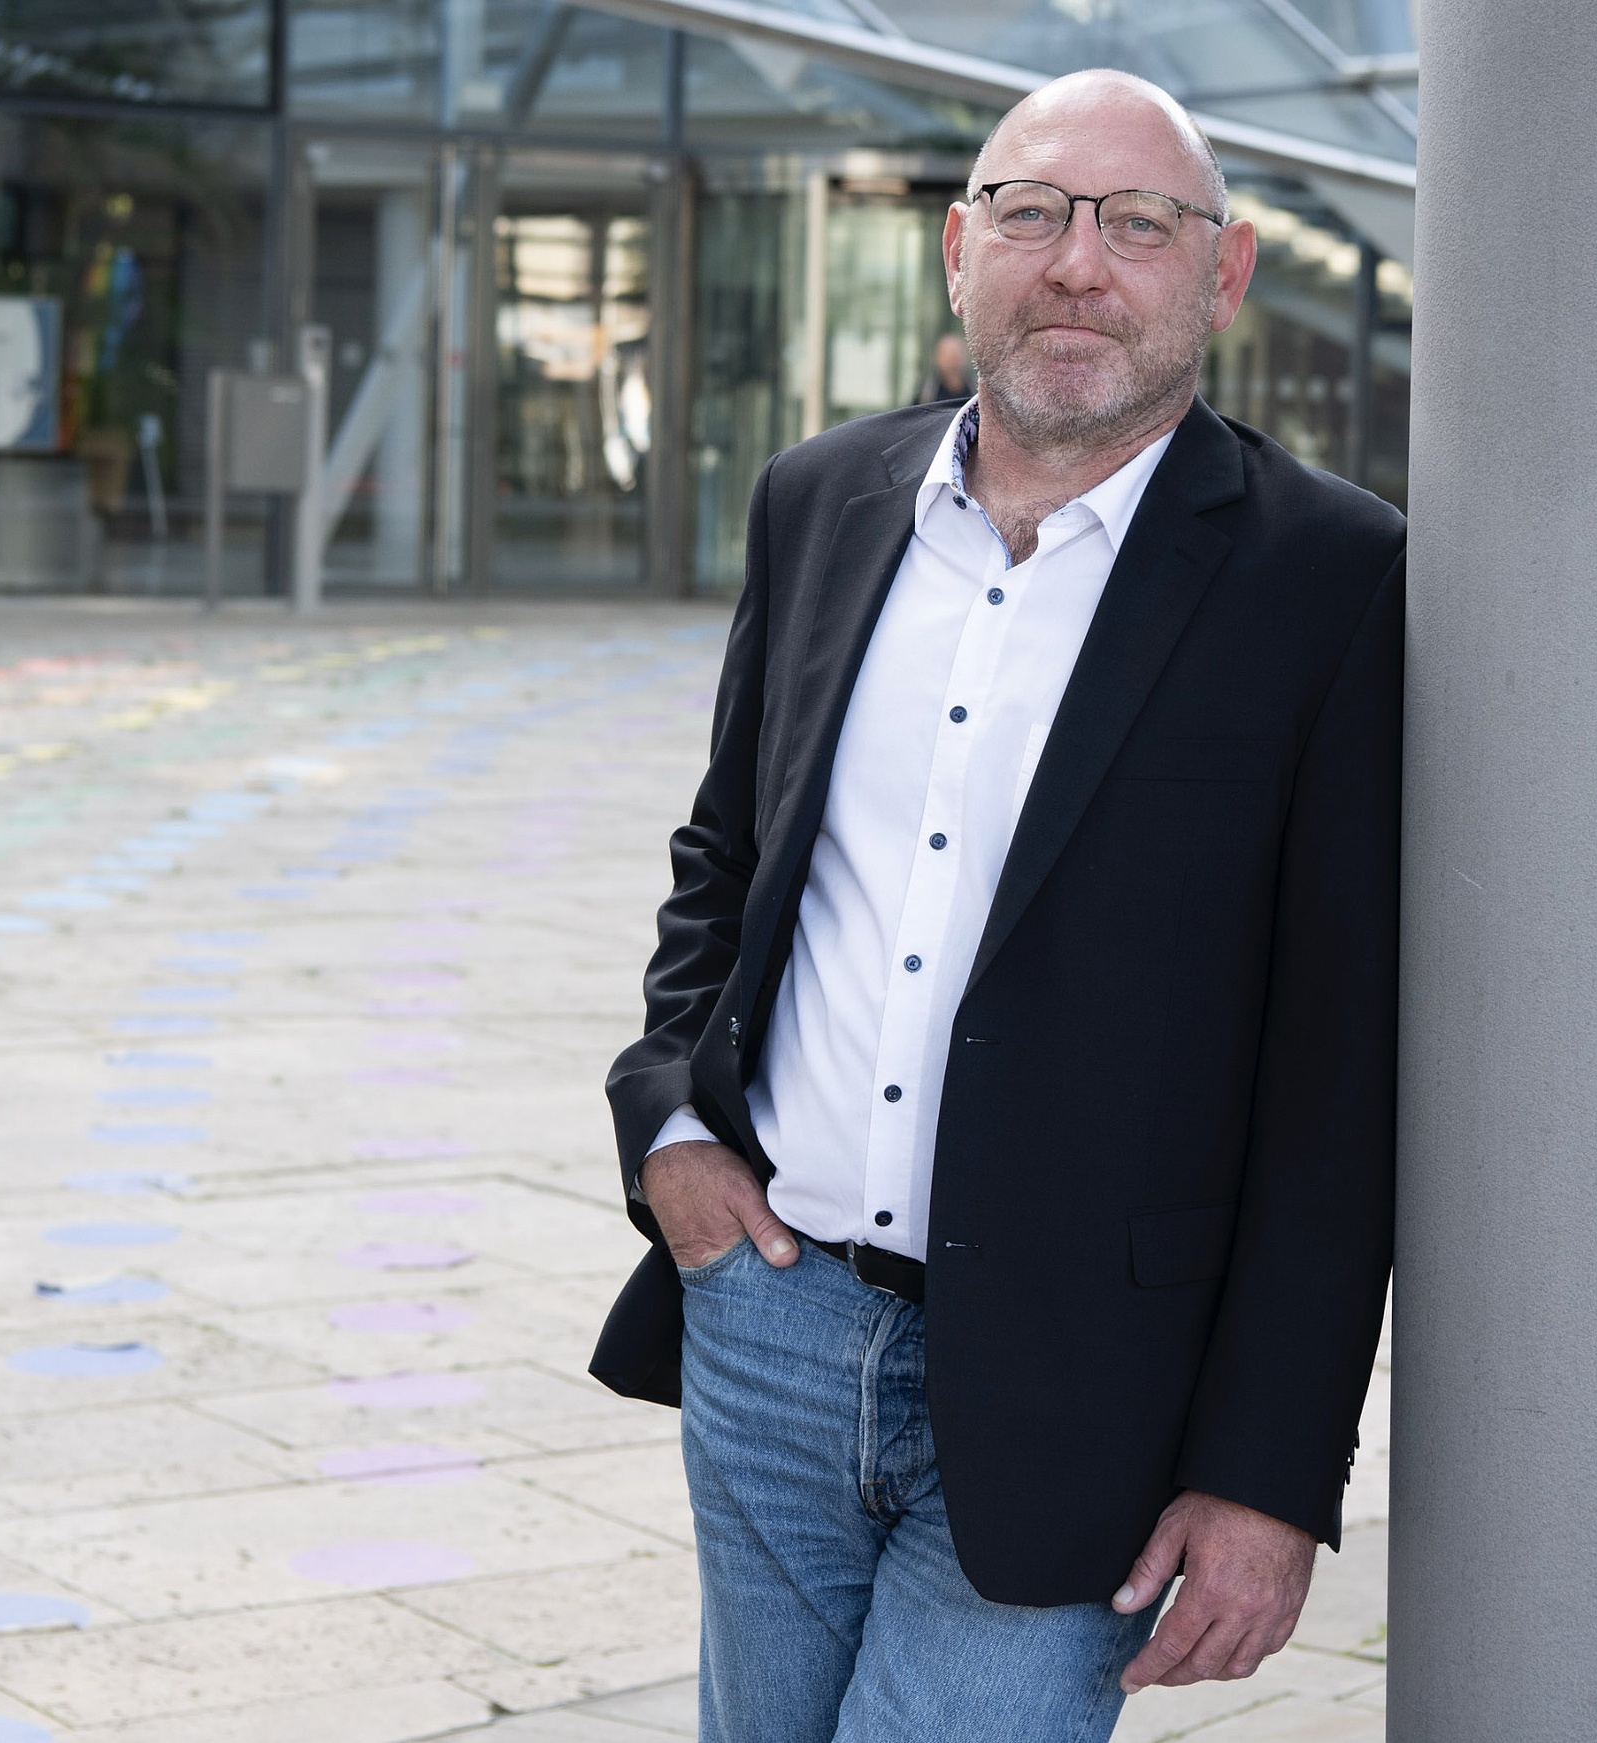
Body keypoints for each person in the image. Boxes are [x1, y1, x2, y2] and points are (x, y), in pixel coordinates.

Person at [593, 67, 1403, 1743]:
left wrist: (1269, 1473)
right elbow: (729, 859)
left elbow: (1342, 1078)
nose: (1078, 263)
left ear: (1225, 272)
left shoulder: (1335, 576)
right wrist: (669, 1123)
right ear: (961, 249)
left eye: (1139, 224)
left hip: (1092, 1383)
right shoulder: (819, 499)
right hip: (770, 1319)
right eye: (1033, 214)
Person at [914, 330, 973, 404]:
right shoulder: (927, 392)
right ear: (937, 358)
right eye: (948, 356)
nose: (952, 361)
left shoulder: (975, 389)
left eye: (956, 355)